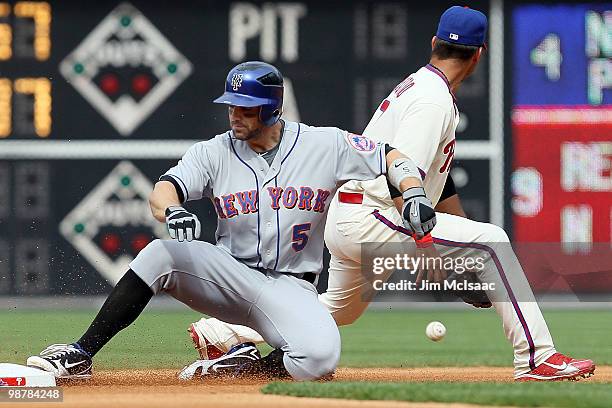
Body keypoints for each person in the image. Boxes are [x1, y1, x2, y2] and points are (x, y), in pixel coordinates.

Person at [184, 6, 595, 382]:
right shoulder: (432, 100)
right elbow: (404, 178)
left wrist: (455, 237)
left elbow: (438, 180)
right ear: (479, 54)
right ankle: (537, 356)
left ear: (434, 44)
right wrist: (432, 250)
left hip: (353, 214)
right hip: (372, 211)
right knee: (494, 241)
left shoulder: (421, 86)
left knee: (336, 312)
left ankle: (222, 328)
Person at [26, 61, 438, 381]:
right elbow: (163, 190)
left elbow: (392, 157)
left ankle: (244, 367)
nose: (234, 114)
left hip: (290, 286)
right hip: (228, 275)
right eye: (231, 105)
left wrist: (414, 193)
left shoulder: (324, 144)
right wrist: (172, 210)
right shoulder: (214, 152)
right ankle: (80, 353)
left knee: (319, 358)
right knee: (159, 254)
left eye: (245, 107)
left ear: (272, 108)